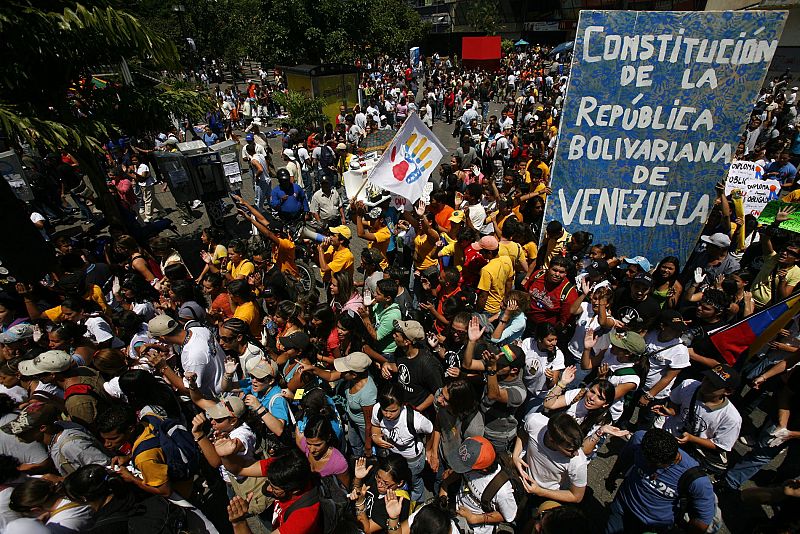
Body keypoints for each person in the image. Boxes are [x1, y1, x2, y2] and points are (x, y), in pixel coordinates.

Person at [605, 428, 716, 534]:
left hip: (653, 526)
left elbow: (703, 520)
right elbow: (624, 458)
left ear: (674, 459)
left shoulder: (696, 480)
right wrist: (611, 477)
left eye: (654, 464)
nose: (647, 464)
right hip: (621, 507)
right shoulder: (640, 440)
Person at [654, 364, 743, 475]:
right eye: (707, 378)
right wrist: (671, 411)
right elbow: (675, 402)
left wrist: (692, 438)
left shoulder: (731, 418)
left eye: (713, 385)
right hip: (666, 437)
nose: (706, 384)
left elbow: (720, 445)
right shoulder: (689, 385)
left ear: (728, 392)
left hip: (686, 454)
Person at [440, 436, 518, 533]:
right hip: (457, 515)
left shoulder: (503, 490)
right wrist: (445, 485)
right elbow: (459, 472)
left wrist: (475, 518)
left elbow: (508, 516)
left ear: (483, 469)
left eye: (465, 466)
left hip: (479, 530)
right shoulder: (472, 461)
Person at [370, 383, 433, 503]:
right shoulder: (377, 409)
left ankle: (416, 503)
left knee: (415, 481)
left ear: (402, 405)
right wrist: (375, 437)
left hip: (412, 459)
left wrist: (429, 449)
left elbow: (431, 430)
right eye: (385, 410)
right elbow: (375, 425)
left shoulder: (415, 420)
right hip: (393, 456)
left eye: (393, 411)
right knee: (397, 479)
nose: (388, 415)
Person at [513, 412, 588, 504]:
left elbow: (576, 496)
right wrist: (515, 456)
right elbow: (523, 431)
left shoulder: (578, 463)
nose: (576, 453)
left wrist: (540, 492)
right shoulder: (534, 421)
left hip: (546, 495)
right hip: (520, 478)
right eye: (570, 450)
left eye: (578, 448)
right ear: (552, 440)